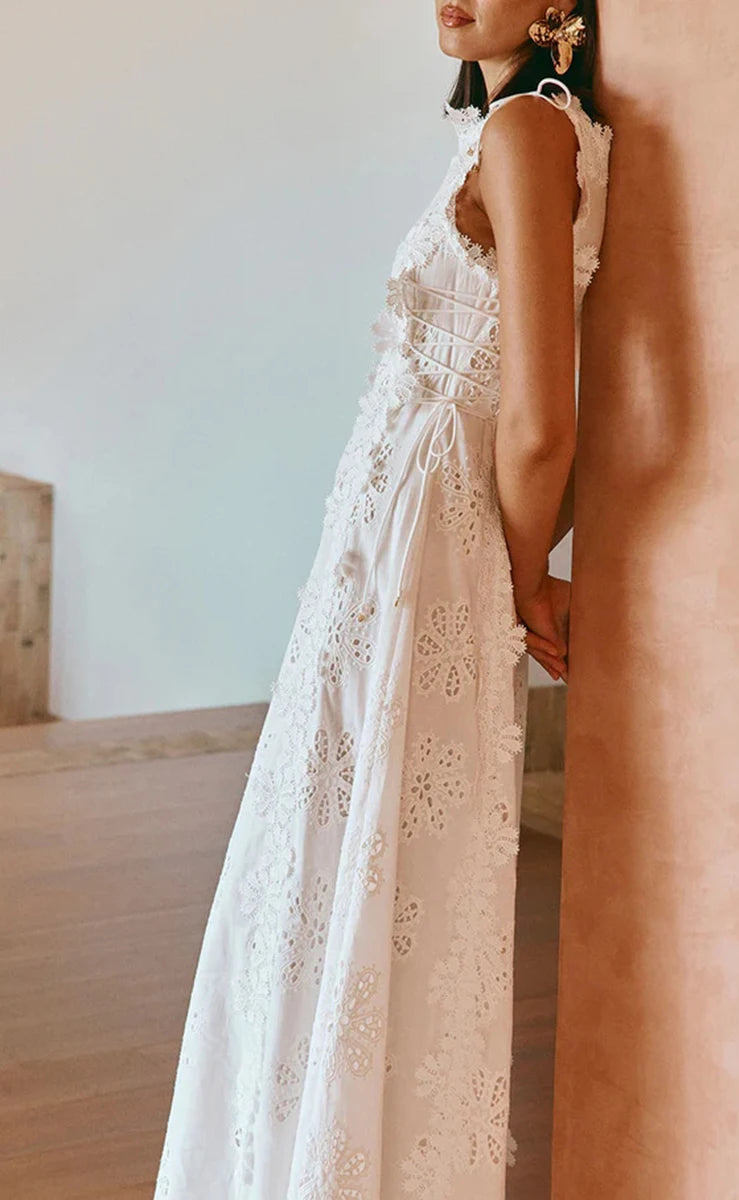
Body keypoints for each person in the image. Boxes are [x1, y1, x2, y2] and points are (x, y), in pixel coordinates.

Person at [153, 2, 613, 1196]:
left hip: (427, 563)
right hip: (389, 558)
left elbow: (538, 416)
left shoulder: (527, 130)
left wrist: (518, 583)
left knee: (369, 860)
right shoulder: (510, 131)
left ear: (561, 7)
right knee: (345, 857)